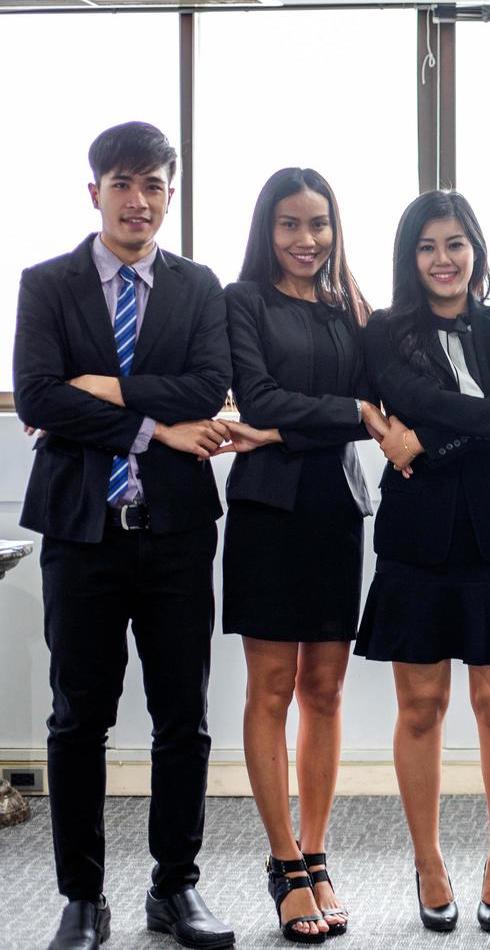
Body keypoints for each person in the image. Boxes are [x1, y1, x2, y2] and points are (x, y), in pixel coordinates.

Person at [13, 121, 235, 950]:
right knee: (80, 719)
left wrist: (107, 390)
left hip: (176, 532)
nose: (138, 202)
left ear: (170, 194)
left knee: (184, 717)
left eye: (154, 186)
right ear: (95, 191)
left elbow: (210, 385)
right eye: (122, 185)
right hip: (83, 531)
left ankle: (175, 890)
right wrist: (155, 429)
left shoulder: (197, 284)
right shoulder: (47, 283)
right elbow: (37, 397)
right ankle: (83, 898)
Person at [355, 190, 490, 934]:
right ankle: (429, 862)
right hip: (415, 538)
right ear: (411, 259)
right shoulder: (386, 332)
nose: (444, 260)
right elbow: (421, 396)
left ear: (476, 250)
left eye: (456, 244)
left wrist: (425, 440)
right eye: (428, 247)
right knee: (420, 708)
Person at [211, 168, 384, 942]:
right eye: (289, 225)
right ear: (267, 230)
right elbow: (261, 399)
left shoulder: (356, 308)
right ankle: (282, 862)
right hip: (268, 512)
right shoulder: (241, 301)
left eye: (318, 224)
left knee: (326, 689)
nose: (306, 240)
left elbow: (384, 413)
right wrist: (347, 411)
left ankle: (317, 855)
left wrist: (295, 425)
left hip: (336, 509)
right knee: (272, 688)